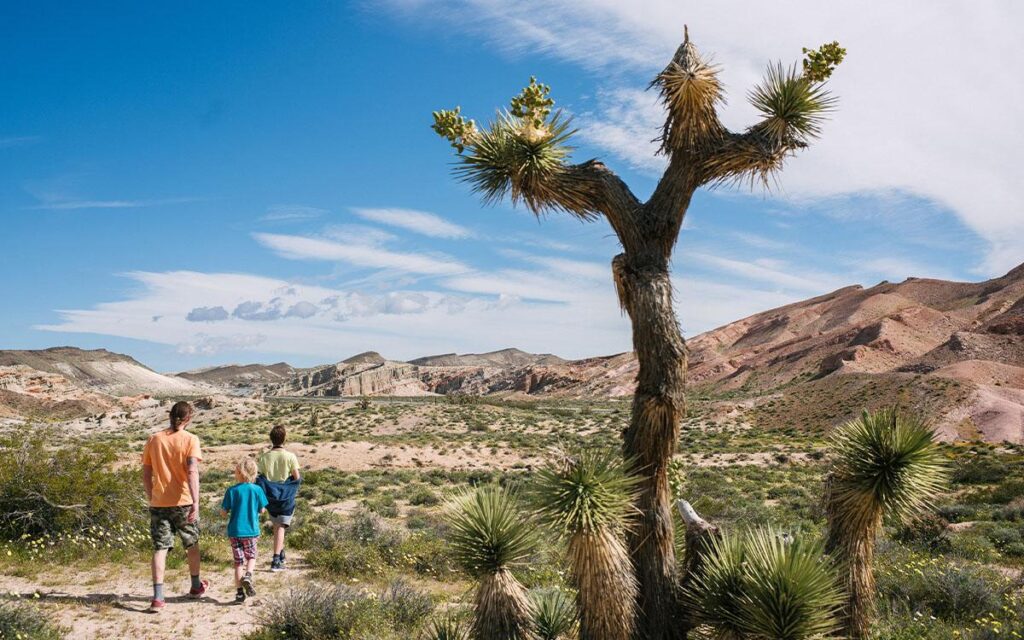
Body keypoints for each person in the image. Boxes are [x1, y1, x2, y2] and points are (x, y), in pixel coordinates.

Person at [141, 401, 208, 613]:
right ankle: (196, 586)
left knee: (160, 547)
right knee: (191, 544)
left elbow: (146, 472)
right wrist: (196, 501)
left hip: (159, 502)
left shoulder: (154, 439)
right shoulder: (190, 439)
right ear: (188, 418)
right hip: (184, 501)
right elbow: (192, 471)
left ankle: (158, 597)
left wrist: (152, 495)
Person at [220, 457, 268, 604]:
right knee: (251, 556)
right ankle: (249, 575)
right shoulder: (257, 490)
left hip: (235, 531)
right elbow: (262, 509)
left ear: (239, 472)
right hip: (251, 530)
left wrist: (225, 512)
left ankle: (239, 593)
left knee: (238, 562)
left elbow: (223, 512)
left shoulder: (232, 490)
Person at [256, 424, 301, 572]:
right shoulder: (290, 457)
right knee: (280, 527)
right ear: (284, 438)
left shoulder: (264, 457)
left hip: (270, 497)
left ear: (271, 439)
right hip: (285, 497)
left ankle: (281, 553)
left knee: (277, 525)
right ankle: (276, 560)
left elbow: (260, 477)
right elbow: (297, 477)